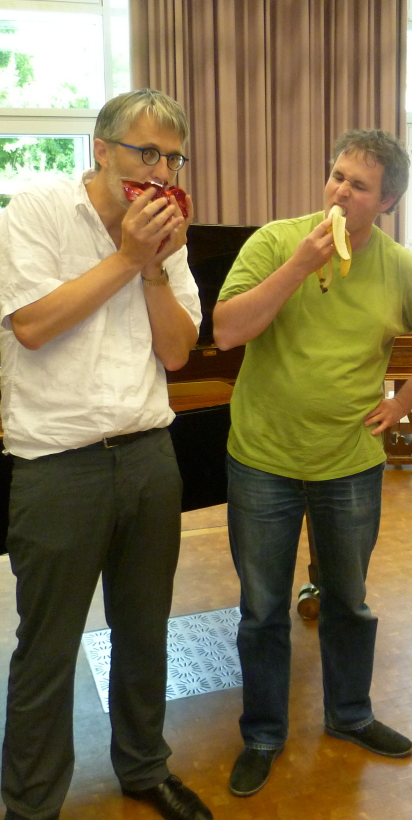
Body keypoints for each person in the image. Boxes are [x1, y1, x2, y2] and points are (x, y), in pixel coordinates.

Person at [213, 129, 412, 797]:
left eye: (359, 185)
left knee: (348, 601)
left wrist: (404, 401)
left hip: (349, 461)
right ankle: (263, 733)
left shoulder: (400, 267)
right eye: (337, 176)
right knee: (262, 609)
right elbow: (227, 331)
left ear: (388, 201)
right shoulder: (275, 241)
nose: (341, 192)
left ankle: (350, 714)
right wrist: (298, 265)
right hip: (262, 457)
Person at [0, 90, 212, 820]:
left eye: (173, 158)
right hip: (58, 466)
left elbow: (177, 351)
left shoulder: (164, 240)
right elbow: (32, 325)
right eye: (145, 153)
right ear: (100, 148)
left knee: (146, 631)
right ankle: (31, 804)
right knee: (48, 647)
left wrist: (153, 267)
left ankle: (145, 768)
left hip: (149, 457)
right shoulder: (36, 211)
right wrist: (127, 257)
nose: (160, 172)